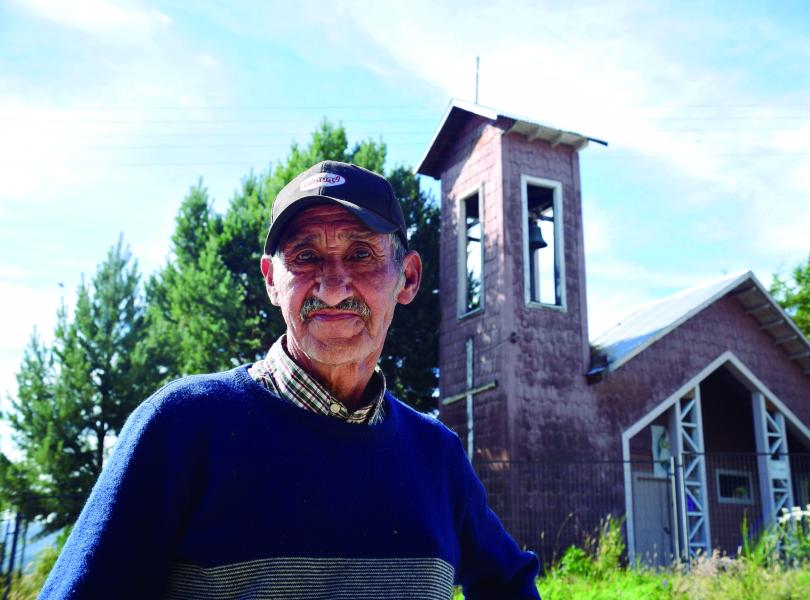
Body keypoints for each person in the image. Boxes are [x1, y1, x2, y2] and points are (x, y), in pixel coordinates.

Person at [39, 160, 540, 599]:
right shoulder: (182, 427)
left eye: (361, 254)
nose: (333, 283)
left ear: (407, 277)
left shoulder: (437, 456)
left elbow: (508, 584)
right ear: (271, 281)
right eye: (305, 257)